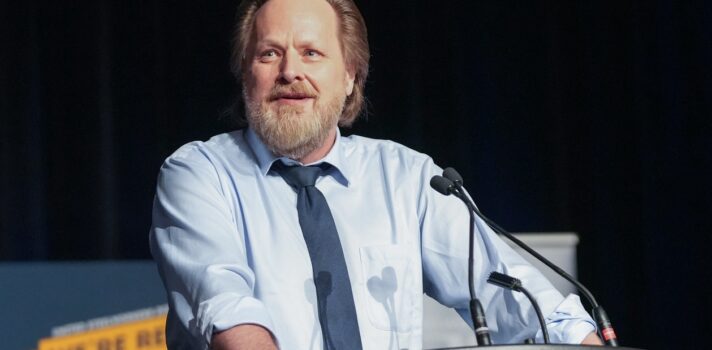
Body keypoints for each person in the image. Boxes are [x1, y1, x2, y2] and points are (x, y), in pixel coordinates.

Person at [149, 0, 603, 349]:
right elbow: (228, 314)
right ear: (246, 73)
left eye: (312, 53)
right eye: (269, 54)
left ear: (349, 76)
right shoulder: (198, 175)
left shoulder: (408, 179)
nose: (291, 72)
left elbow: (510, 290)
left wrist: (584, 339)